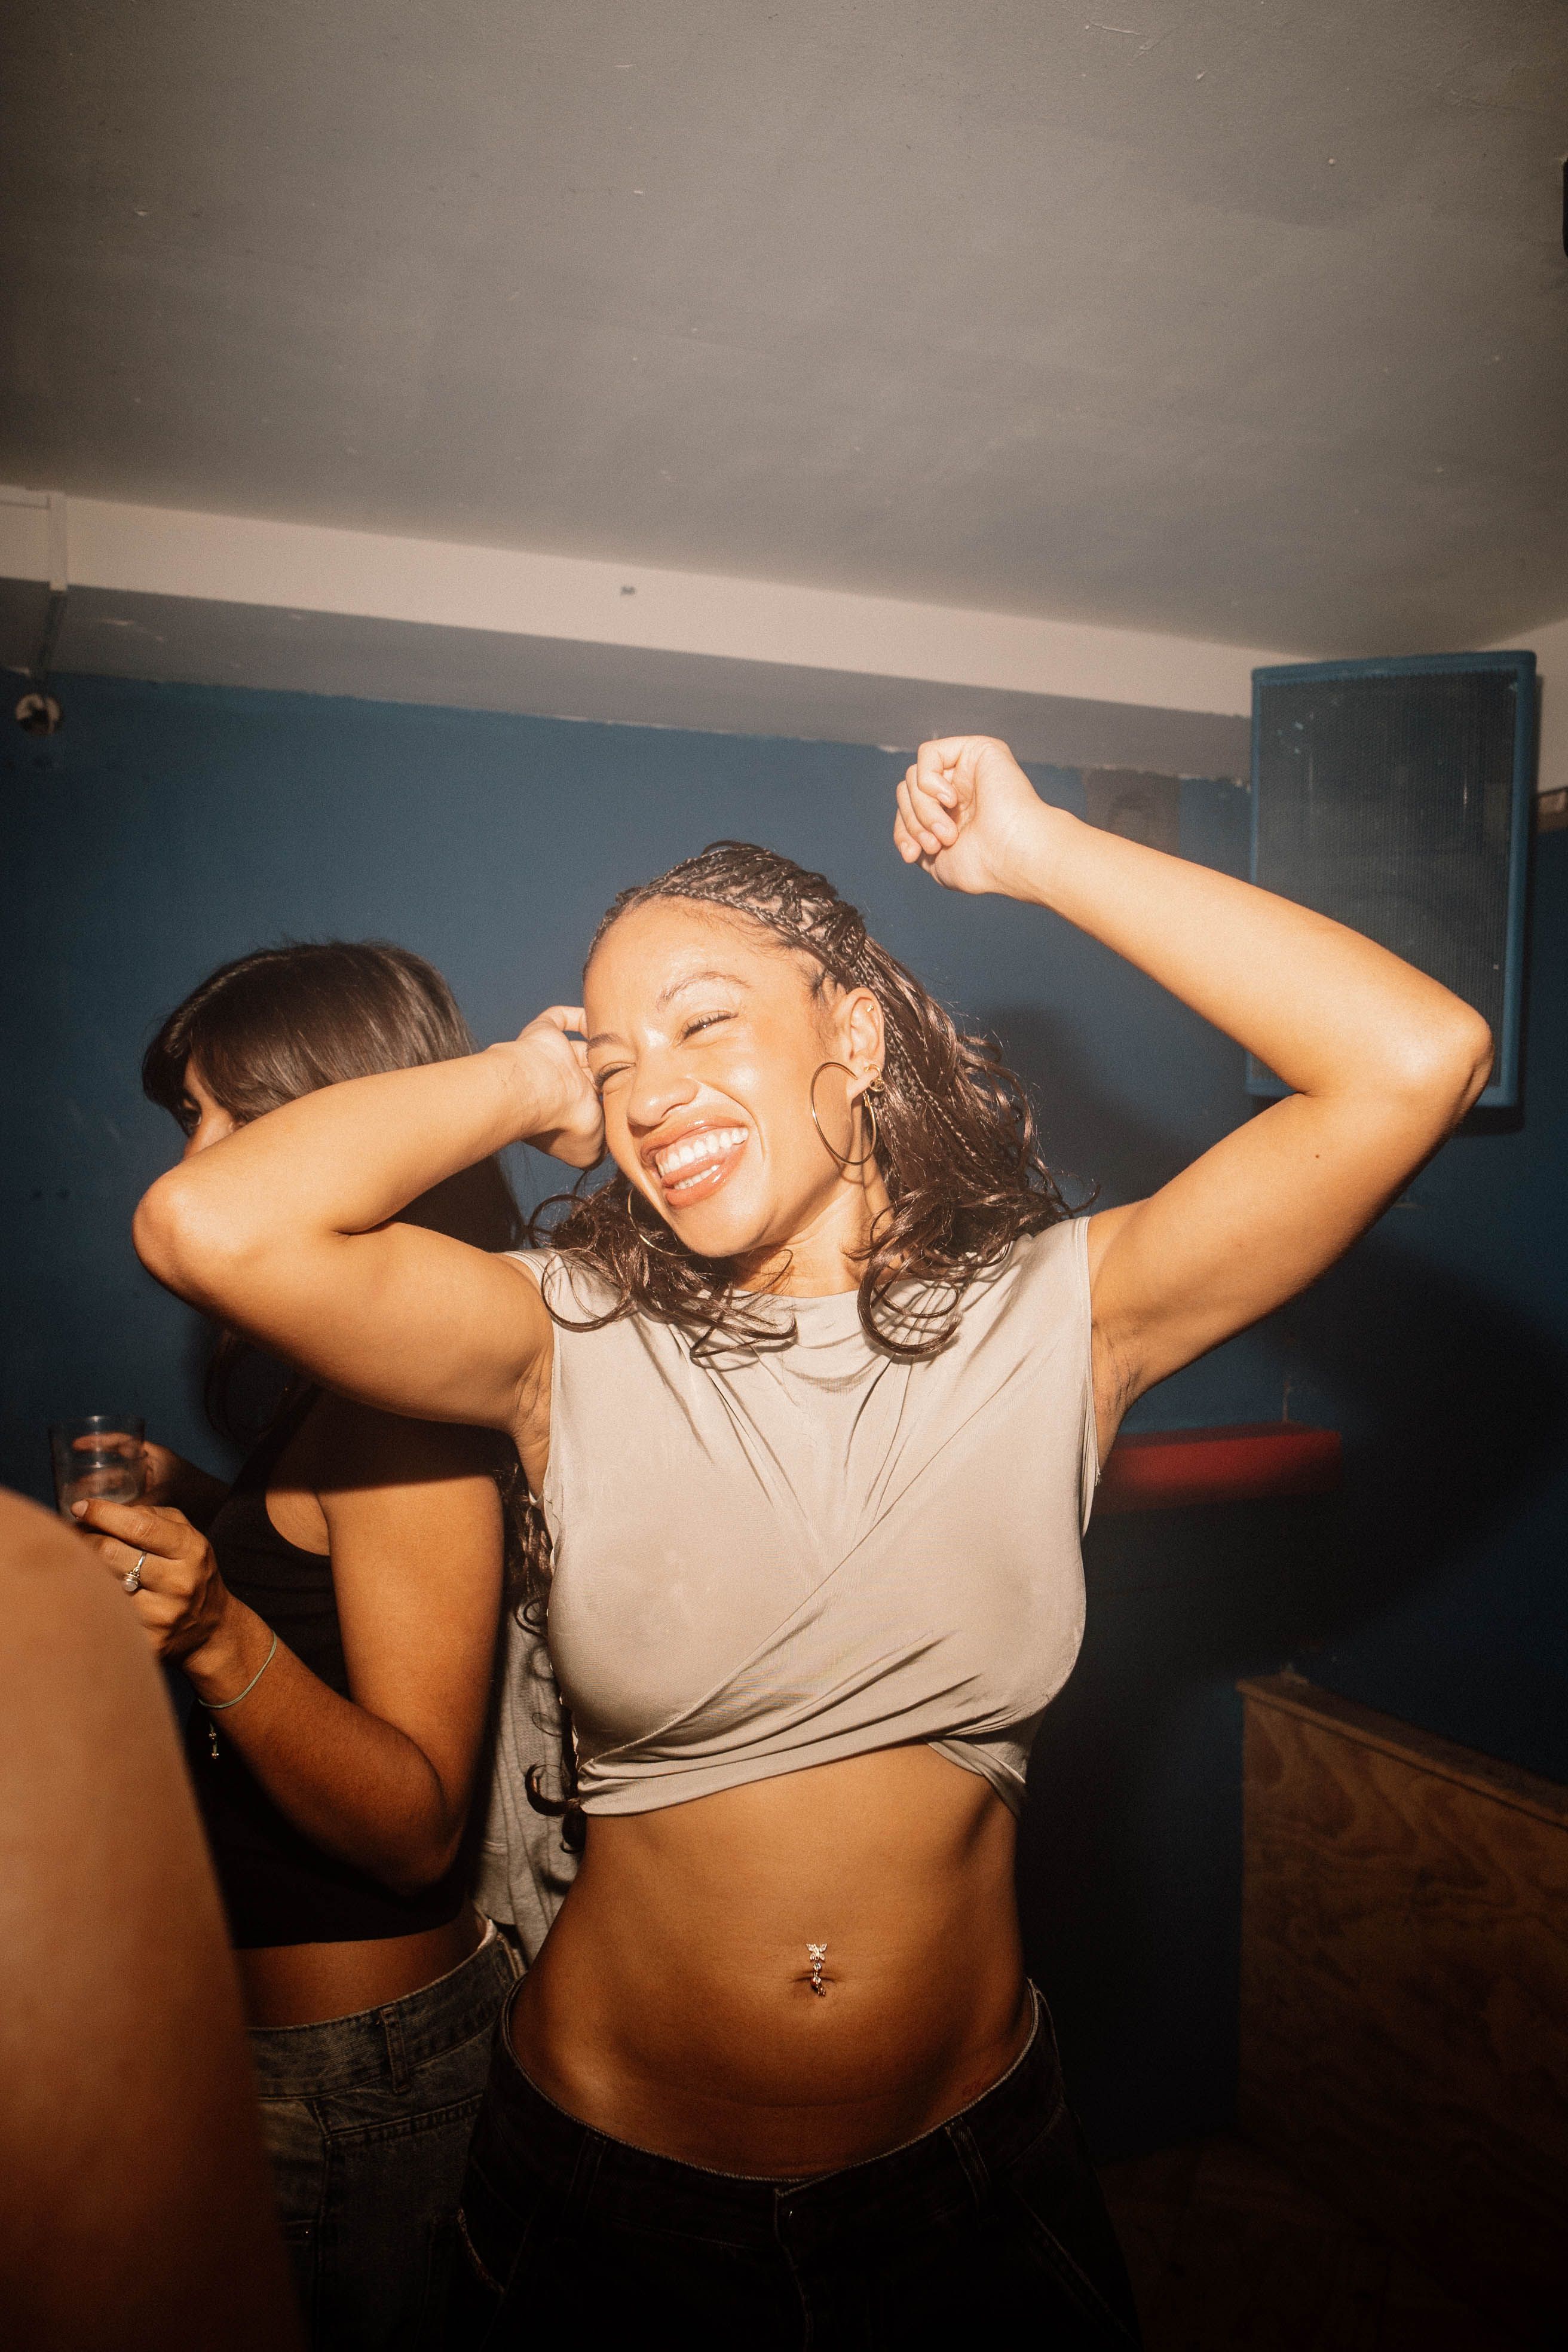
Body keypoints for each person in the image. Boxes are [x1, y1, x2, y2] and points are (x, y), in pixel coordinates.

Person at [130, 740, 1493, 2348]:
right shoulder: (562, 1340)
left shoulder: (1061, 1315)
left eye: (705, 1021)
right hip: (606, 2202)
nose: (652, 1096)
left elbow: (1417, 1056)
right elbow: (207, 1226)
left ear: (852, 1032)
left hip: (969, 2188)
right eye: (621, 1066)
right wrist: (527, 1081)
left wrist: (1042, 852)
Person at [71, 941, 560, 2351]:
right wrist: (208, 1505)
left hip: (362, 2073)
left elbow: (416, 1828)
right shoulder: (343, 1391)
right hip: (310, 2057)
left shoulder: (399, 1420)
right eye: (193, 1120)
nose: (200, 1157)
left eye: (239, 1117)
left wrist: (213, 1631)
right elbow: (335, 1587)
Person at [0, 1486, 302, 2352]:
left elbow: (420, 1840)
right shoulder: (29, 1584)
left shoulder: (28, 1583)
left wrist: (219, 1633)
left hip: (343, 2048)